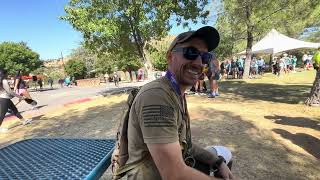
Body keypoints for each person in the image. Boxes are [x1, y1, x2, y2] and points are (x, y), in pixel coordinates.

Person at [112, 26, 235, 180]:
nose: (198, 63)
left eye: (205, 57)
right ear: (170, 57)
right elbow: (174, 175)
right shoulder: (157, 96)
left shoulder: (176, 92)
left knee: (223, 154)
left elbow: (186, 146)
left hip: (175, 165)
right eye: (190, 52)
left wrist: (217, 162)